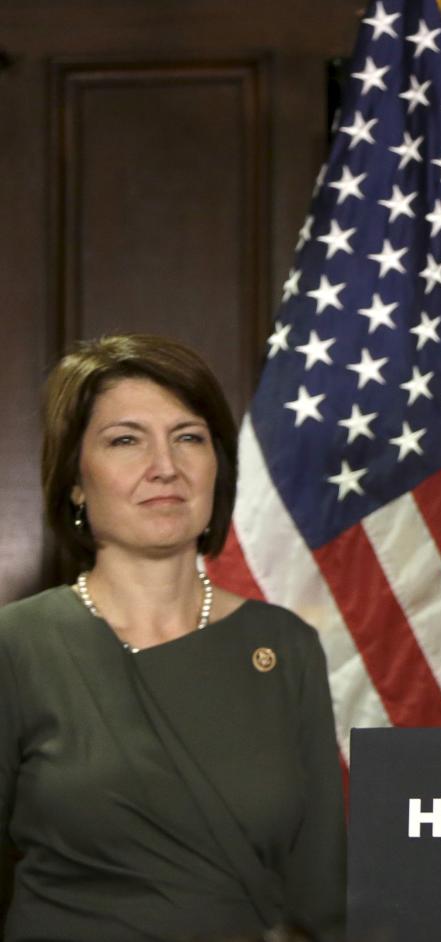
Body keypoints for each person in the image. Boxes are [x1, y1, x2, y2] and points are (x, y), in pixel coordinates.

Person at [0, 335, 345, 941]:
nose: (166, 466)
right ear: (76, 480)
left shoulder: (285, 644)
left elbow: (322, 892)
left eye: (188, 437)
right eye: (125, 440)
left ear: (218, 467)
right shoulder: (17, 645)